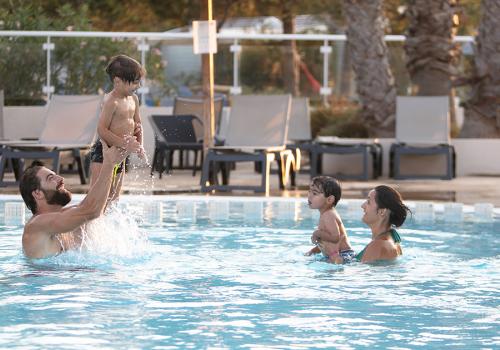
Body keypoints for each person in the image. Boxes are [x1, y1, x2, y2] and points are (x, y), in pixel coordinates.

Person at [19, 143, 133, 259]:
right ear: (38, 193)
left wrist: (119, 160)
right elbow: (92, 209)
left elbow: (104, 204)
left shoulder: (65, 218)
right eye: (51, 178)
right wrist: (108, 163)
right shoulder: (37, 225)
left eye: (56, 175)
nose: (61, 179)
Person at [89, 54, 146, 203]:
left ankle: (105, 225)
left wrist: (140, 145)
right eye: (134, 82)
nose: (138, 86)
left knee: (114, 197)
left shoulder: (134, 99)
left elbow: (138, 124)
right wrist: (125, 144)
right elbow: (102, 130)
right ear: (117, 81)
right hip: (104, 152)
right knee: (98, 195)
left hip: (121, 153)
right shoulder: (111, 102)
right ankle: (89, 225)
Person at [305, 176, 355, 264]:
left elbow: (335, 237)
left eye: (315, 193)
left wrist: (317, 233)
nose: (309, 196)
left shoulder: (329, 215)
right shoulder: (325, 214)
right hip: (337, 255)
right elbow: (327, 241)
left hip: (344, 256)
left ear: (329, 199)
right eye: (309, 191)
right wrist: (313, 251)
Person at [354, 185, 410, 263]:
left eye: (368, 202)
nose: (362, 206)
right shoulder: (392, 237)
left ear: (382, 211)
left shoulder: (377, 245)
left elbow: (361, 273)